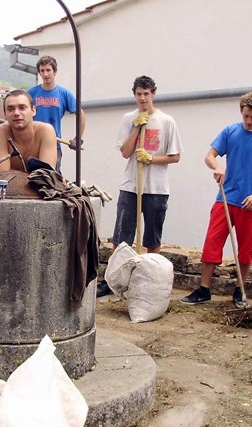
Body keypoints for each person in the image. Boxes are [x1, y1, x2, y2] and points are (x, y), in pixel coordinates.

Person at [181, 92, 252, 308]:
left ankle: (239, 289)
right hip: (226, 198)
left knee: (246, 249)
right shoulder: (230, 131)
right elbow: (209, 156)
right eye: (246, 116)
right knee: (212, 242)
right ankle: (204, 289)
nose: (248, 121)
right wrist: (217, 166)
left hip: (250, 202)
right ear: (241, 112)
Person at [97, 75, 182, 297]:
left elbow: (175, 156)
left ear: (153, 93)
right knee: (121, 236)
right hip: (131, 186)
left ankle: (151, 283)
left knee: (152, 238)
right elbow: (125, 153)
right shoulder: (128, 118)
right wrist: (136, 128)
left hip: (156, 188)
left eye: (146, 93)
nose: (142, 98)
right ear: (134, 95)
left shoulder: (166, 121)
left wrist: (151, 159)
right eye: (138, 94)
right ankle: (112, 282)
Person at [27, 55, 86, 174]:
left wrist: (78, 138)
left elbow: (81, 116)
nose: (45, 74)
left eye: (48, 70)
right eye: (42, 71)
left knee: (51, 179)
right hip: (32, 143)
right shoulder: (31, 93)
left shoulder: (64, 94)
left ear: (55, 72)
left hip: (53, 145)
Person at [0, 89, 57, 170]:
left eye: (22, 108)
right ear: (5, 114)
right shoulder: (1, 132)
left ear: (33, 111)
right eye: (10, 109)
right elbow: (2, 175)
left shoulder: (46, 131)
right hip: (10, 182)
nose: (16, 113)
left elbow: (45, 175)